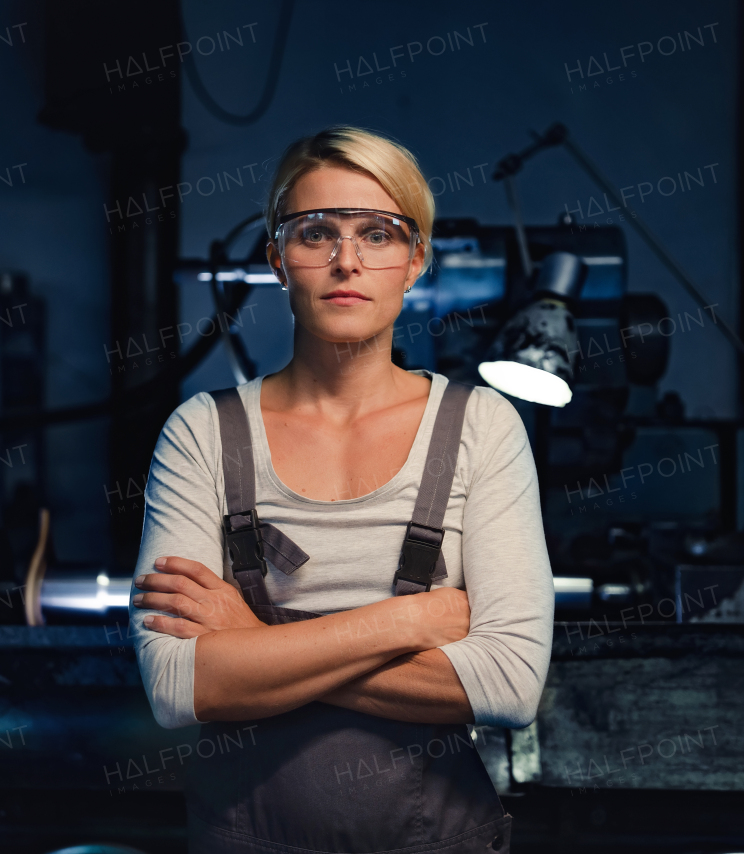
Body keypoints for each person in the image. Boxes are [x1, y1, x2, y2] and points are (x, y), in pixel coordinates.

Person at [128, 125, 554, 853]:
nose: (346, 260)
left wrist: (252, 645)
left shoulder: (482, 427)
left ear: (416, 261)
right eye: (316, 231)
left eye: (380, 234)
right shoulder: (202, 434)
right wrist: (405, 625)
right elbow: (177, 688)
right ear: (277, 260)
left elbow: (510, 684)